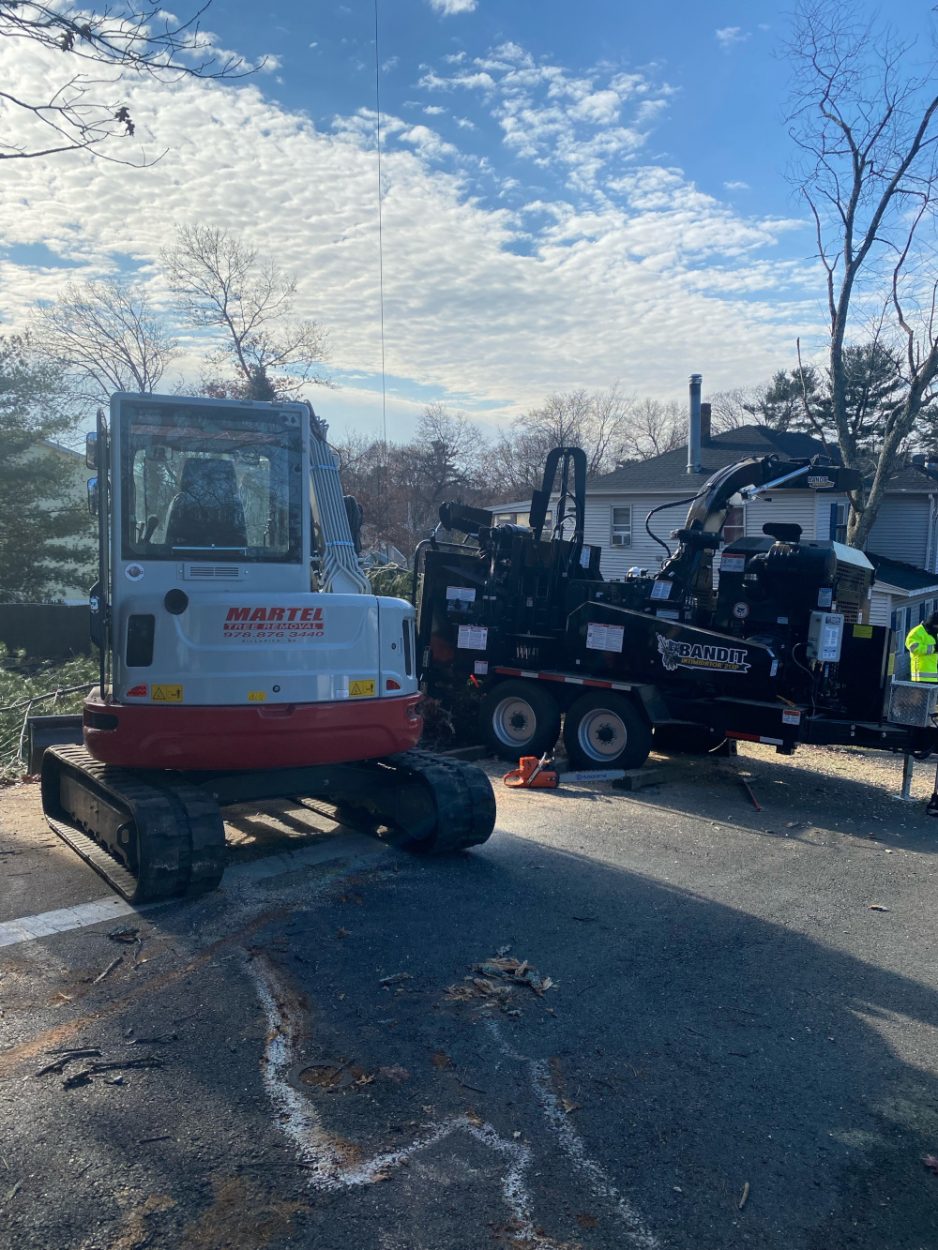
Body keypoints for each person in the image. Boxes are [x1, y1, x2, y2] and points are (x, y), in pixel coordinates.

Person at [905, 611, 938, 683]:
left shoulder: (935, 632)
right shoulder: (916, 632)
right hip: (921, 677)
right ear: (932, 624)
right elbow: (913, 648)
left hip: (935, 676)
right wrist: (934, 648)